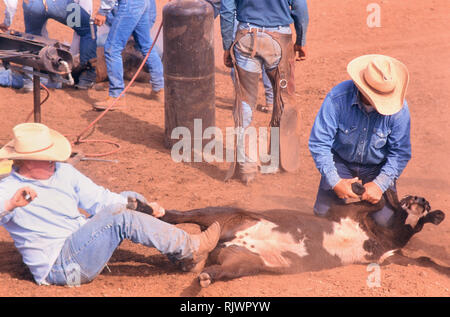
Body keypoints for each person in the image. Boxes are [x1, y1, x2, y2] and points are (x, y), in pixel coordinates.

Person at [0, 123, 220, 285]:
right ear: (24, 162)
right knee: (121, 216)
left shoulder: (62, 171)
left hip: (78, 244)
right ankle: (190, 248)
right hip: (64, 270)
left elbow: (100, 199)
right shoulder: (9, 189)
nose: (53, 161)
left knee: (130, 198)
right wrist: (10, 204)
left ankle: (185, 258)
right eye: (46, 158)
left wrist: (142, 206)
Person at [308, 54, 412, 227]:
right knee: (322, 219)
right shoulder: (337, 98)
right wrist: (336, 181)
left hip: (377, 168)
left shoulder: (400, 110)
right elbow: (319, 143)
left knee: (385, 224)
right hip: (341, 162)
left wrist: (379, 185)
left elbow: (400, 153)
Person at [220, 0, 309, 184]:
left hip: (246, 37)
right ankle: (279, 161)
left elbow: (228, 10)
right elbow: (300, 8)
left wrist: (228, 45)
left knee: (245, 102)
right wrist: (301, 41)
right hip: (279, 39)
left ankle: (247, 166)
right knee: (283, 100)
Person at [0, 0, 97, 89]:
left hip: (32, 5)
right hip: (58, 4)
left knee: (33, 38)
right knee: (88, 28)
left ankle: (29, 82)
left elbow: (11, 4)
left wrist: (7, 22)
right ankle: (86, 77)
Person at [92, 0, 164, 111]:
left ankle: (116, 96)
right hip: (142, 3)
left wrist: (102, 11)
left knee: (112, 49)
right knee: (146, 45)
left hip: (129, 4)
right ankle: (159, 89)